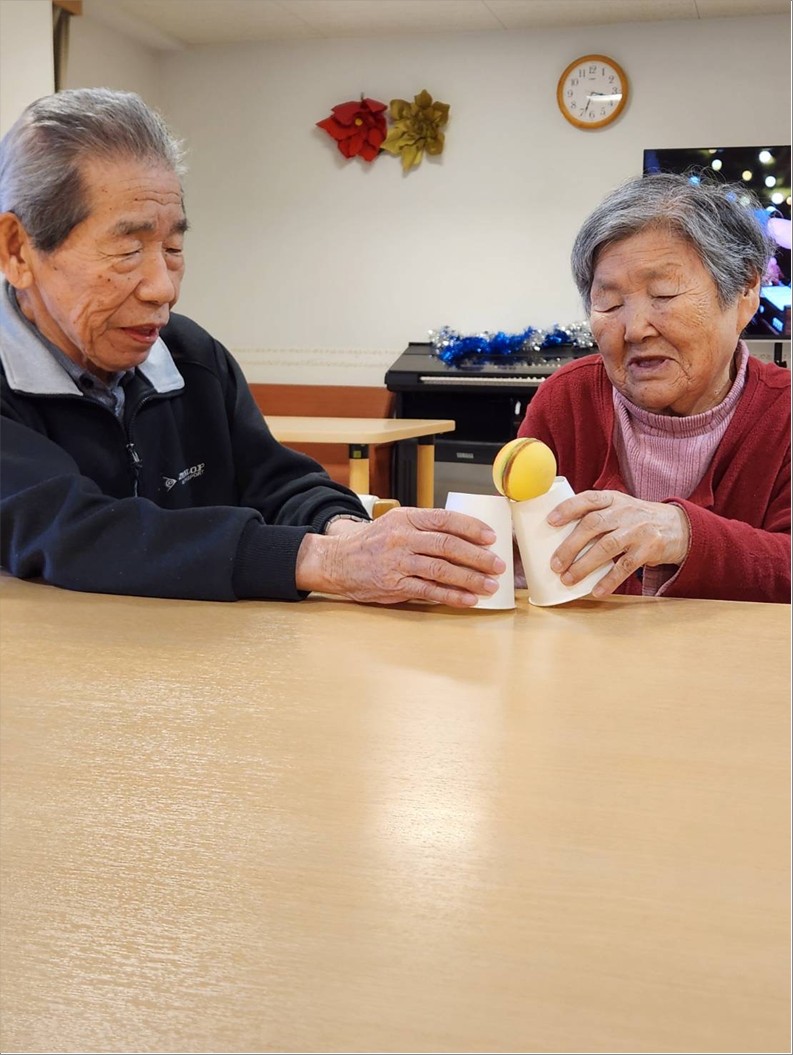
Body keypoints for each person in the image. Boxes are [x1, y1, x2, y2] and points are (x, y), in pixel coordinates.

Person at [0, 88, 505, 607]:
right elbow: (72, 530)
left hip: (201, 653)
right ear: (17, 251)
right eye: (128, 249)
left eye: (173, 248)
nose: (163, 288)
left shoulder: (190, 356)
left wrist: (348, 533)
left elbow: (277, 481)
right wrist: (323, 561)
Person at [517, 172, 790, 603]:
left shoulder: (784, 412)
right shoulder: (566, 400)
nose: (634, 329)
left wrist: (683, 534)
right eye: (609, 303)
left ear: (745, 292)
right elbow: (517, 548)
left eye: (663, 295)